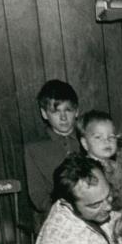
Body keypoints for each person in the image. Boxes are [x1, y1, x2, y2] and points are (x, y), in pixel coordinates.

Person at [24, 80, 80, 228]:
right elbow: (38, 196)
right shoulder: (34, 149)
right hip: (56, 217)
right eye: (55, 111)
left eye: (68, 110)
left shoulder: (88, 139)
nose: (63, 117)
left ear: (77, 111)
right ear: (44, 114)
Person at [76, 110, 122, 211]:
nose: (107, 141)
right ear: (85, 143)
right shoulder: (83, 171)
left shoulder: (117, 167)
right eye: (98, 137)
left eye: (111, 136)